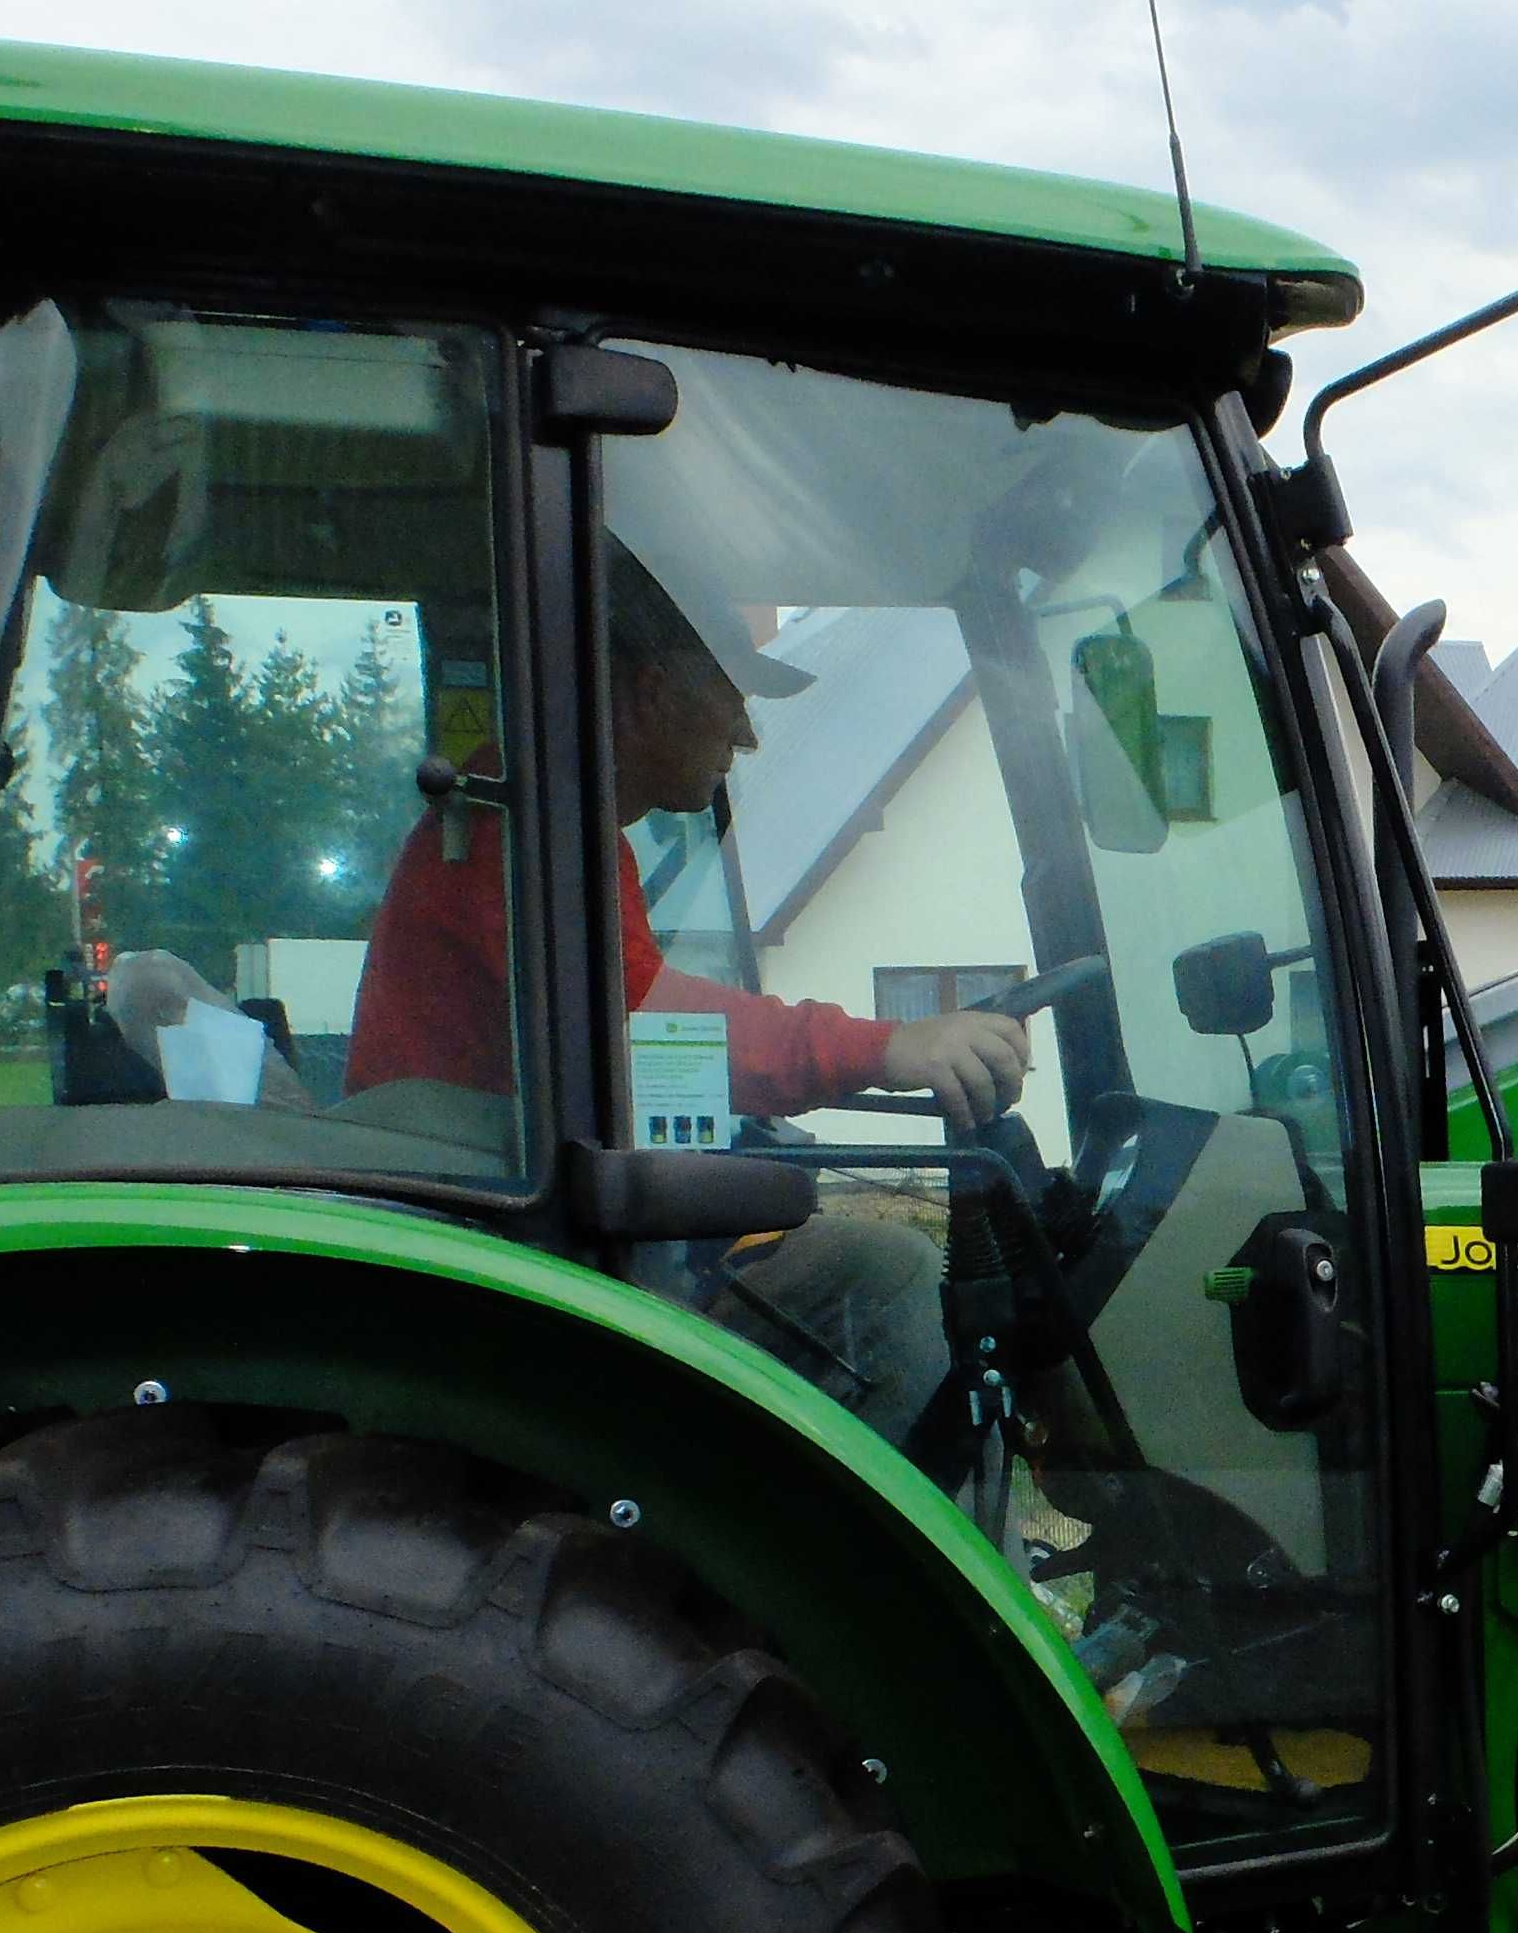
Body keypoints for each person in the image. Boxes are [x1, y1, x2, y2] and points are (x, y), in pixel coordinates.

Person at [118, 544, 1028, 1448]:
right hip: (486, 1267)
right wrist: (885, 1048)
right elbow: (644, 1022)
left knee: (844, 1258)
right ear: (647, 689)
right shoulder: (516, 828)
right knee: (891, 1273)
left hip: (505, 1232)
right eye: (731, 696)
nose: (745, 736)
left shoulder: (552, 825)